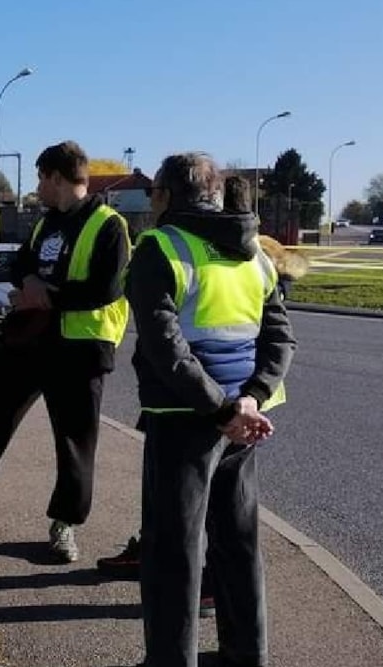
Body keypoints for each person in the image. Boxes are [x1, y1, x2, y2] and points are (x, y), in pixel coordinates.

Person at [0, 140, 131, 563]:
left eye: (40, 179)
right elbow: (20, 263)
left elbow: (107, 288)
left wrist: (45, 296)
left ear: (57, 177)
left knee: (74, 442)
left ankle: (64, 524)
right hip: (30, 340)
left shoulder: (109, 224)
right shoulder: (45, 223)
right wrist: (29, 281)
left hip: (81, 348)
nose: (37, 187)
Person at [128, 153, 295, 667]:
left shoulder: (159, 247)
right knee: (239, 543)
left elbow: (165, 346)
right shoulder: (255, 254)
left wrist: (223, 409)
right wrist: (252, 399)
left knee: (173, 553)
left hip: (187, 420)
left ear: (163, 197)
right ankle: (248, 655)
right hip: (243, 424)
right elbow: (280, 338)